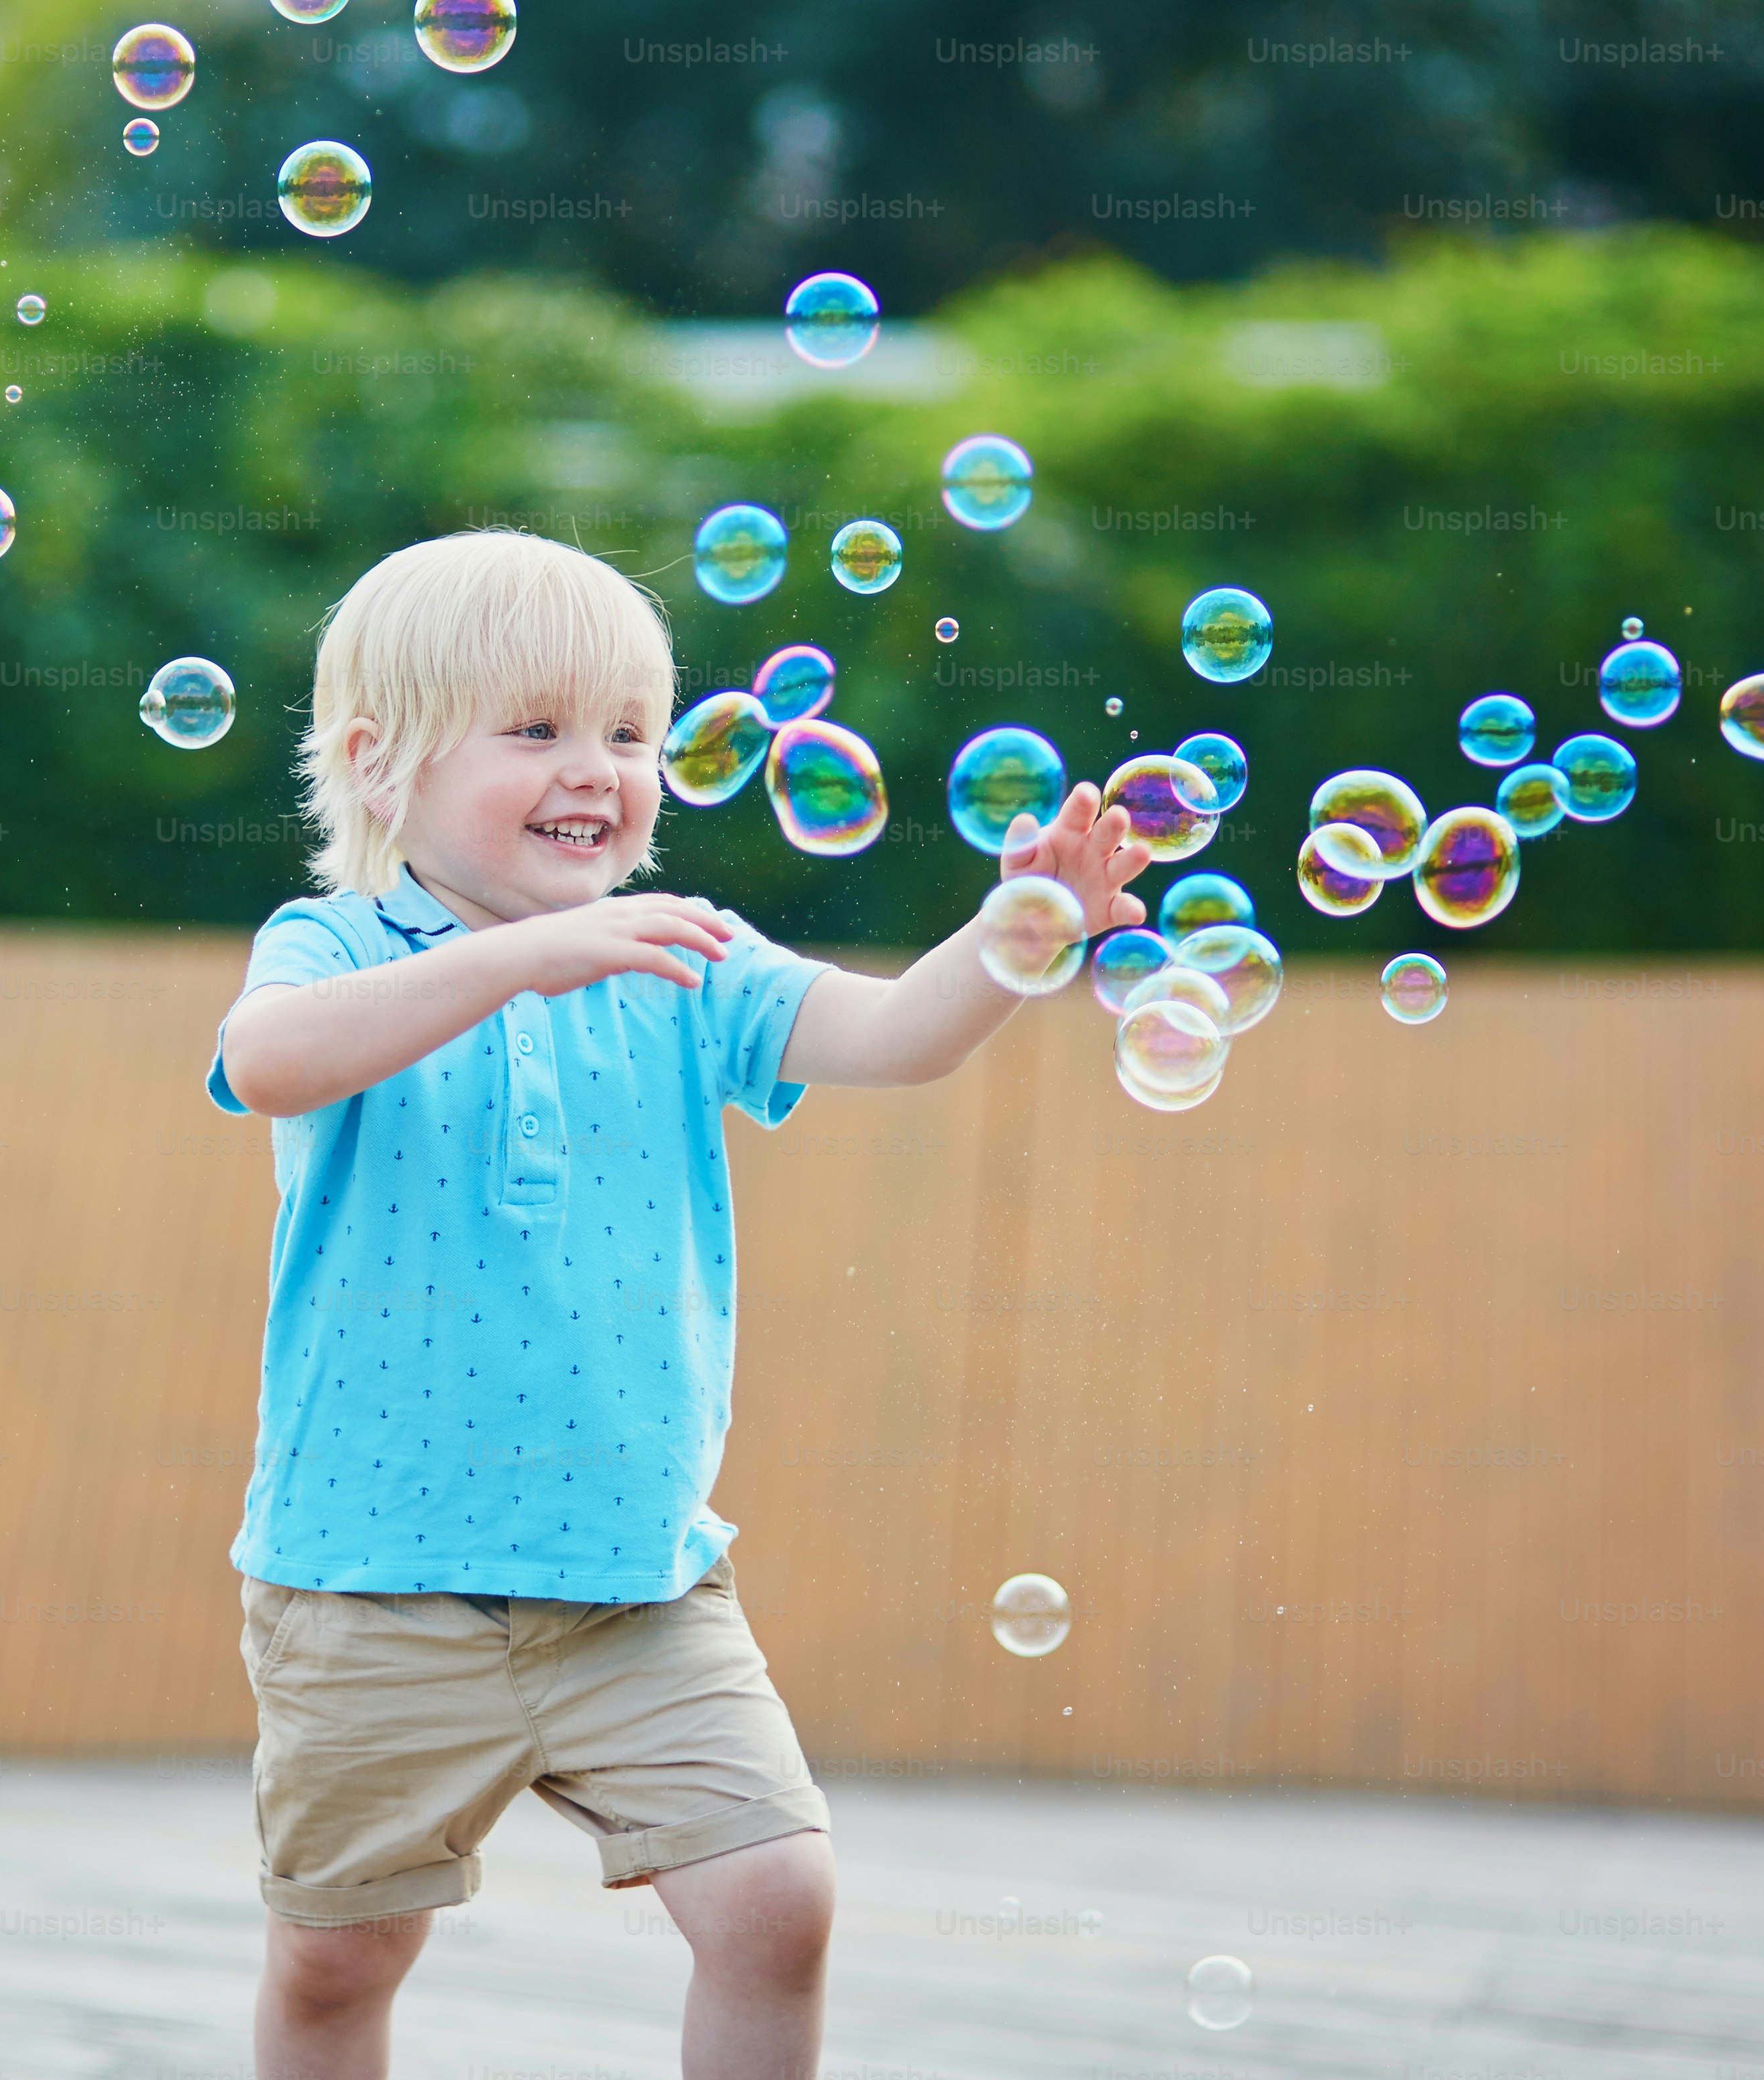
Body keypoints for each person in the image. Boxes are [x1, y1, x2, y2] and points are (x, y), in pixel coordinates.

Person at [207, 530, 1150, 2079]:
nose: (599, 769)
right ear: (380, 770)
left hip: (632, 1582)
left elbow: (894, 1038)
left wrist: (1010, 940)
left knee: (777, 1896)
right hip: (368, 1578)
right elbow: (268, 1060)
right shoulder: (338, 947)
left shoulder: (684, 960)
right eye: (537, 730)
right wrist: (519, 962)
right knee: (337, 1960)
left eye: (629, 734)